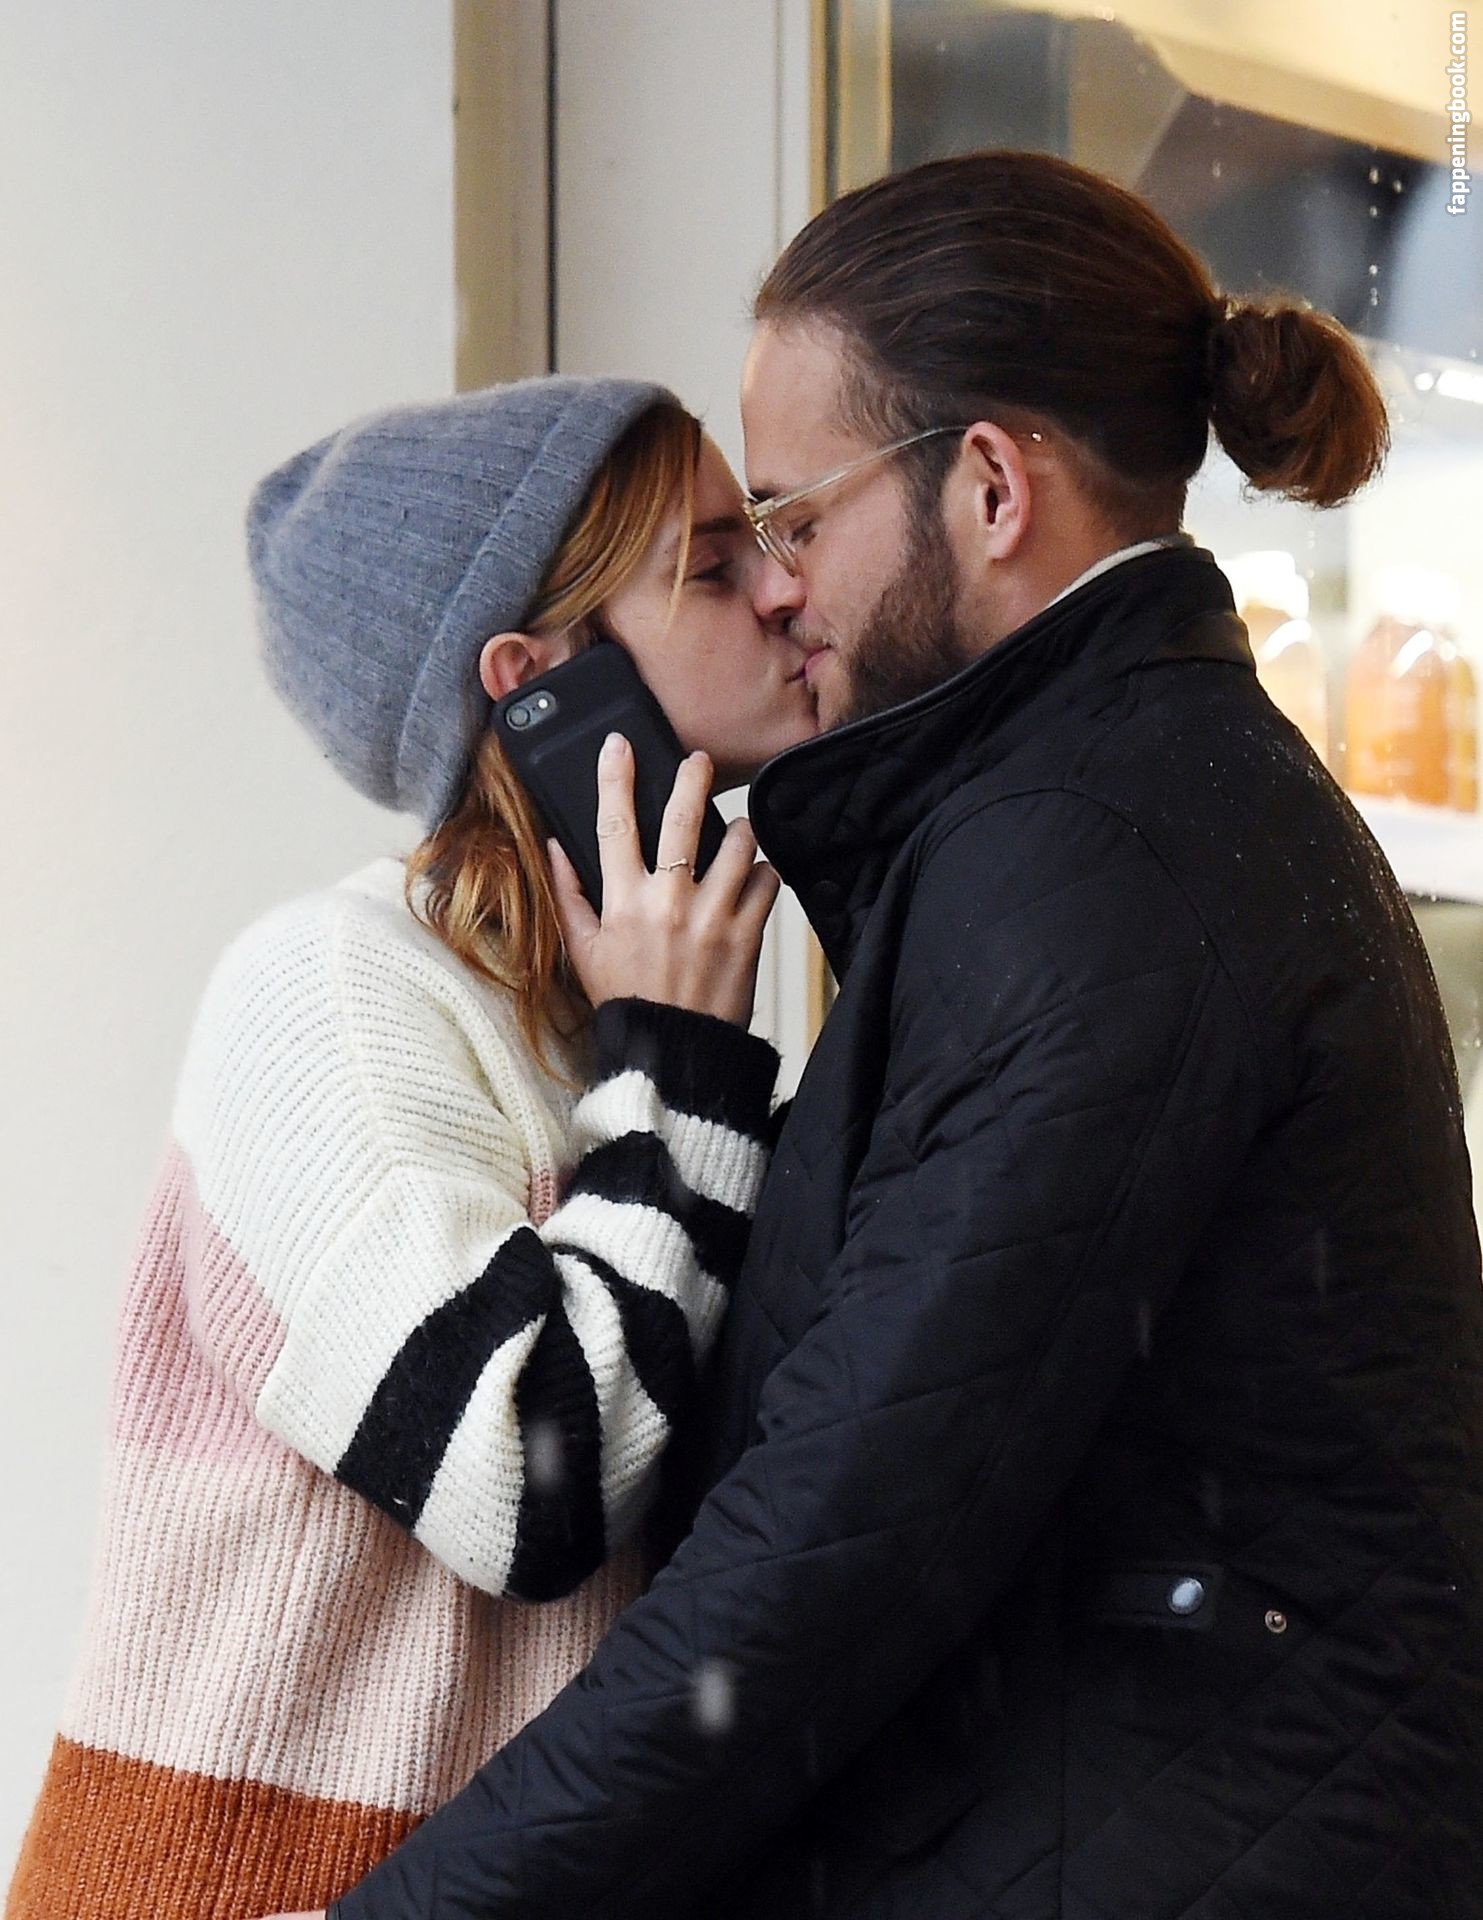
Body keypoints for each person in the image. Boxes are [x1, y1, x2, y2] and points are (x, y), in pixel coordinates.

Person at [278, 153, 1483, 1920]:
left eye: (790, 518)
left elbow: (829, 1551)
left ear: (989, 488)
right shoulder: (1096, 806)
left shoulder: (1094, 853)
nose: (779, 588)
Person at [4, 376, 820, 1920]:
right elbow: (525, 1481)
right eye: (715, 566)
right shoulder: (332, 996)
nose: (785, 590)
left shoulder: (592, 1034)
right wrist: (683, 1065)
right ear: (537, 682)